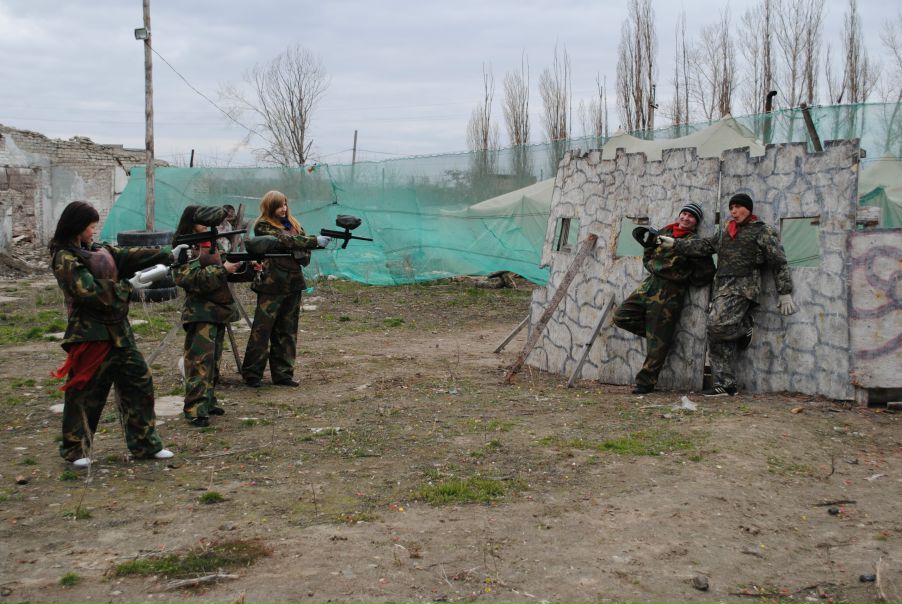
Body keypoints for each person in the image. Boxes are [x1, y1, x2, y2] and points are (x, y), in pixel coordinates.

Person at [49, 201, 180, 467]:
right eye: (90, 226)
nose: (93, 231)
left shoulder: (96, 249)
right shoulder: (65, 258)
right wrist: (127, 287)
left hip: (119, 331)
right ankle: (76, 450)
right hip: (91, 335)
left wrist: (168, 254)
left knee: (138, 382)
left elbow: (129, 255)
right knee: (86, 392)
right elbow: (88, 292)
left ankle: (144, 444)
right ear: (77, 227)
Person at [657, 193, 797, 396]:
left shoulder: (762, 230)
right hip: (722, 287)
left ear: (748, 209)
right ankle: (726, 384)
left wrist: (785, 292)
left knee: (716, 325)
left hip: (744, 287)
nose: (734, 211)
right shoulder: (726, 229)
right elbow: (705, 246)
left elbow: (778, 261)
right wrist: (675, 244)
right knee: (716, 335)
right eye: (731, 208)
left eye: (738, 207)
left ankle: (744, 327)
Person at [612, 203, 715, 394]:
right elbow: (648, 250)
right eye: (684, 214)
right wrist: (650, 264)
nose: (686, 218)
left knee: (657, 341)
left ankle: (645, 383)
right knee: (621, 316)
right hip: (650, 284)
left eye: (691, 216)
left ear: (696, 223)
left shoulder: (694, 243)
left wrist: (684, 278)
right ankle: (660, 338)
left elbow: (707, 272)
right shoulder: (664, 232)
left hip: (670, 291)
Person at [241, 191, 330, 388]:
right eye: (279, 205)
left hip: (293, 281)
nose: (284, 209)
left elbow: (301, 246)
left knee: (287, 330)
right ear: (270, 206)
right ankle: (252, 374)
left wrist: (306, 246)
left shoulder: (293, 225)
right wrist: (313, 241)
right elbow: (283, 241)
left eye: (285, 204)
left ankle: (283, 374)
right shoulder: (263, 225)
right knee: (262, 330)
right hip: (271, 284)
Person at [172, 205, 247, 427]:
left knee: (213, 362)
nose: (206, 226)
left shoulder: (211, 244)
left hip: (218, 311)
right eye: (201, 222)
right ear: (190, 222)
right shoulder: (184, 248)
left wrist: (246, 266)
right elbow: (189, 279)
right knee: (199, 363)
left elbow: (224, 271)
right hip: (200, 313)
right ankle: (195, 409)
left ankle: (208, 401)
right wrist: (223, 269)